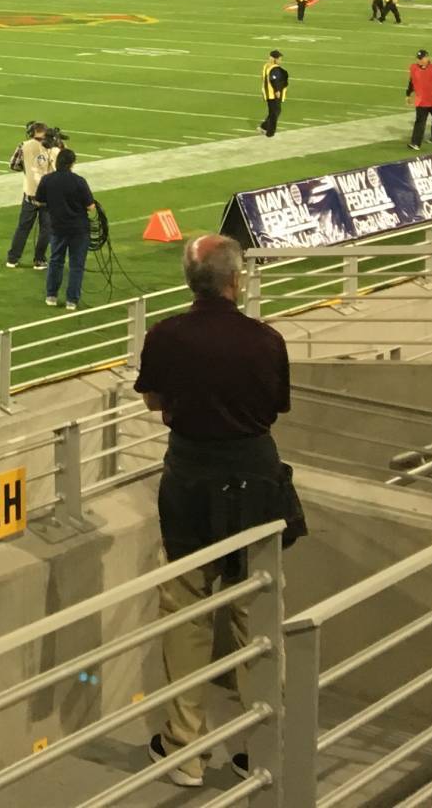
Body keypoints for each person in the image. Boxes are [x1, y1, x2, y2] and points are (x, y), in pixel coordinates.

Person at [138, 234, 298, 787]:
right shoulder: (265, 339)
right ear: (236, 281)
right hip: (254, 475)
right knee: (256, 609)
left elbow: (156, 403)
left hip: (190, 476)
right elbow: (275, 407)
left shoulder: (164, 336)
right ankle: (266, 743)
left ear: (191, 282)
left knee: (186, 609)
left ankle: (184, 747)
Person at [35, 146, 97, 312]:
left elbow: (39, 201)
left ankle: (51, 296)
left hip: (58, 227)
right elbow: (91, 207)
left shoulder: (47, 180)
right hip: (78, 229)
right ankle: (72, 300)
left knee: (56, 261)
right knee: (76, 265)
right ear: (72, 163)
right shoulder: (79, 181)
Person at [4, 122, 56, 270]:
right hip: (49, 195)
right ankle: (39, 260)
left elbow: (13, 165)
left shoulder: (23, 145)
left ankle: (12, 259)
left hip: (30, 193)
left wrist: (29, 168)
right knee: (46, 228)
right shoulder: (54, 147)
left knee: (23, 227)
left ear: (31, 132)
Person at [406, 48, 432, 147]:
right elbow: (412, 82)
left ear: (427, 58)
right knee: (420, 121)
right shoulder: (415, 68)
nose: (419, 60)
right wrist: (408, 94)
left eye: (421, 58)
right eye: (418, 58)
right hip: (422, 101)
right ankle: (415, 143)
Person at [259, 49, 288, 139]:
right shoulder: (274, 68)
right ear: (274, 59)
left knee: (274, 111)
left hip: (268, 92)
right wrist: (277, 91)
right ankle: (270, 133)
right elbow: (274, 80)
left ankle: (264, 126)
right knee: (275, 112)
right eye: (279, 59)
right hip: (273, 94)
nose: (280, 60)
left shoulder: (266, 66)